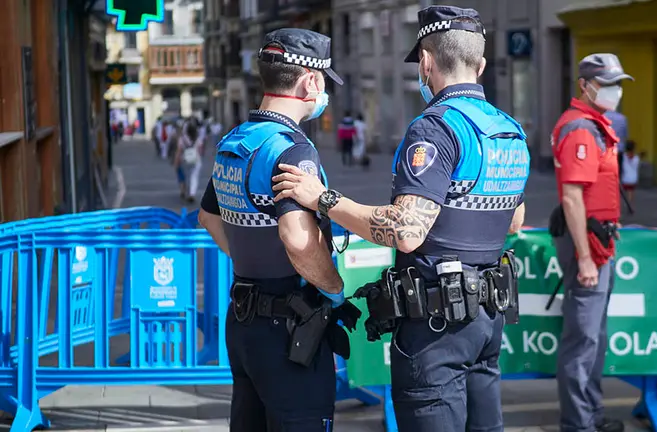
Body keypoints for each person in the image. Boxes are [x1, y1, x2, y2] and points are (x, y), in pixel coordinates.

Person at [271, 6, 530, 431]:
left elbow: (406, 231)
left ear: (426, 62)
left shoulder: (436, 128)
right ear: (480, 65)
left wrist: (324, 199)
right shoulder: (509, 130)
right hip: (487, 319)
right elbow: (514, 220)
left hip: (436, 327)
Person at [197, 28, 358, 432]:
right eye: (324, 85)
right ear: (311, 81)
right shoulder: (291, 148)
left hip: (245, 320)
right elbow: (298, 239)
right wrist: (334, 291)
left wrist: (252, 258)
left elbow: (209, 216)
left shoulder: (236, 140)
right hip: (289, 328)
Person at [549, 53, 633, 432]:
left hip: (597, 245)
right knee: (582, 342)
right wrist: (584, 259)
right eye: (607, 83)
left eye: (617, 83)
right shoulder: (581, 129)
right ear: (584, 85)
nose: (614, 91)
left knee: (593, 339)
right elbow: (571, 197)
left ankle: (591, 417)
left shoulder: (595, 125)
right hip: (588, 247)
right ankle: (579, 424)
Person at [175, 120, 204, 203]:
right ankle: (192, 193)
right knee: (194, 177)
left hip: (185, 160)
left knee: (187, 177)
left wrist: (176, 161)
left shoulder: (182, 139)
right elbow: (200, 149)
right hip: (196, 159)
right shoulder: (197, 138)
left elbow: (179, 151)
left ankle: (187, 192)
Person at [604, 109, 628, 179]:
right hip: (619, 148)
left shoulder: (603, 116)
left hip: (605, 148)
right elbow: (625, 135)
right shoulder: (623, 118)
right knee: (617, 172)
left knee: (604, 172)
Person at [620, 140, 640, 209]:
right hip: (633, 179)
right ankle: (630, 204)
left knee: (624, 192)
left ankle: (626, 204)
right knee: (631, 191)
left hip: (625, 178)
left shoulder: (623, 156)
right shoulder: (636, 158)